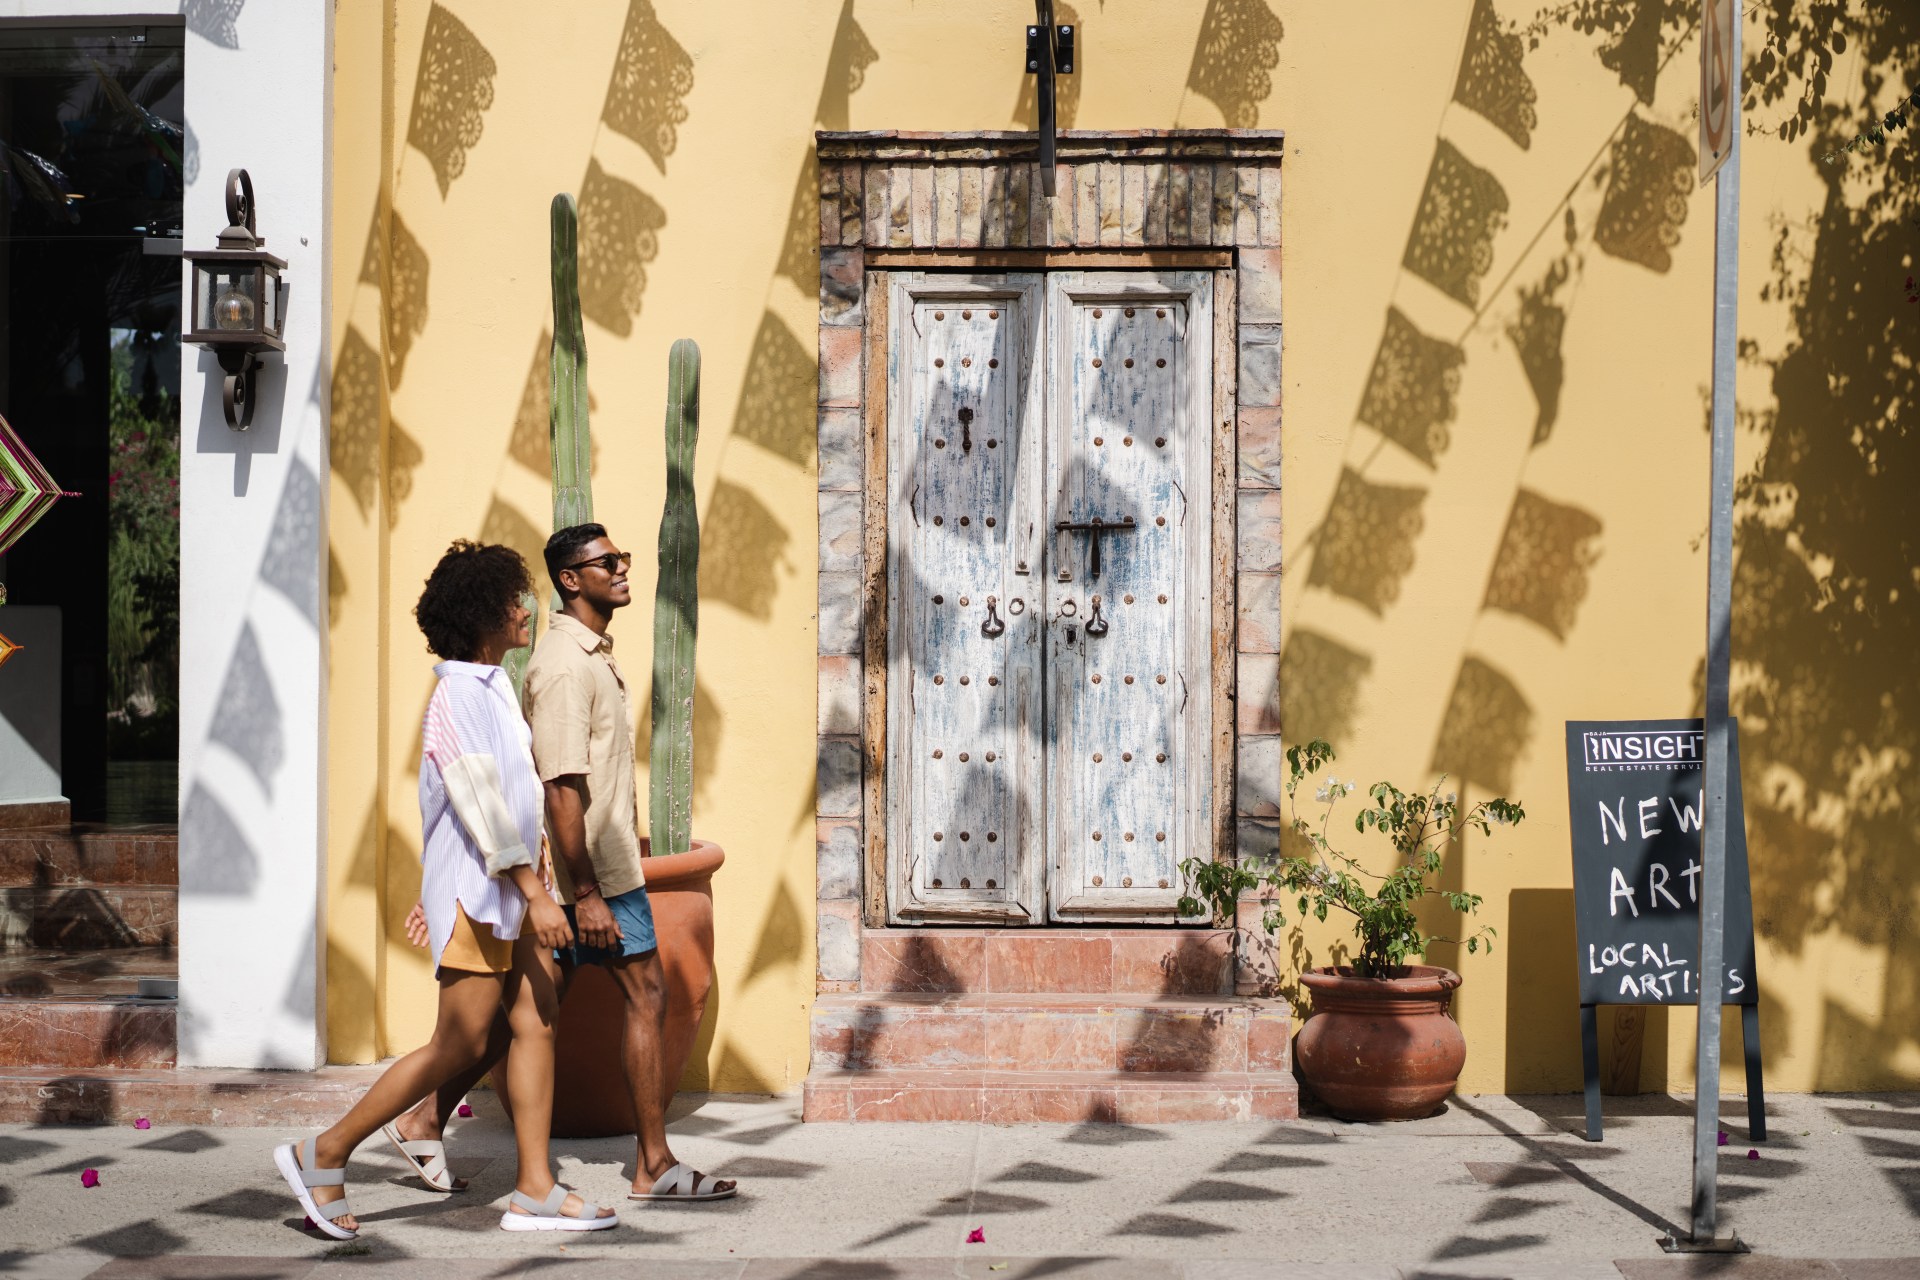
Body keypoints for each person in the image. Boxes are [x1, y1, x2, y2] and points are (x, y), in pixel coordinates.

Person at [271, 541, 617, 1236]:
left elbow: (506, 808)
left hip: (506, 896)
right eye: (513, 599)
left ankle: (534, 1189)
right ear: (484, 614)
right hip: (486, 897)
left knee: (536, 1020)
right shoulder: (457, 693)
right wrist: (537, 894)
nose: (526, 609)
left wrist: (534, 887)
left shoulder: (488, 690)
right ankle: (323, 1153)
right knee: (457, 1044)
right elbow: (481, 806)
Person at [392, 523, 736, 1203]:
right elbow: (553, 787)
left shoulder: (585, 655)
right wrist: (582, 894)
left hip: (584, 875)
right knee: (644, 995)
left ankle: (425, 1117)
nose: (623, 568)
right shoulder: (560, 666)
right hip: (593, 876)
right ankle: (652, 1166)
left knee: (524, 1014)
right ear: (572, 579)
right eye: (608, 562)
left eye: (623, 557)